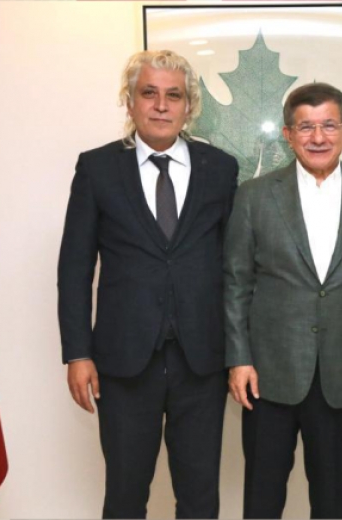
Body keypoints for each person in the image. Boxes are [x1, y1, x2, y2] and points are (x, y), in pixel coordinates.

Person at [57, 50, 238, 519]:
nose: (161, 105)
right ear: (130, 101)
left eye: (173, 95)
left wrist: (240, 354)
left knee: (200, 498)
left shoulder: (220, 169)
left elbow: (235, 269)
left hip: (202, 362)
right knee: (124, 494)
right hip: (122, 364)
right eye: (149, 93)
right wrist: (77, 353)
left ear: (188, 105)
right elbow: (74, 268)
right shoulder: (97, 169)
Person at [225, 82, 342, 519]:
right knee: (262, 499)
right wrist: (239, 359)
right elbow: (235, 284)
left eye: (328, 126)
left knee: (331, 499)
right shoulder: (254, 196)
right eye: (306, 127)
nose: (318, 137)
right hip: (267, 376)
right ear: (288, 134)